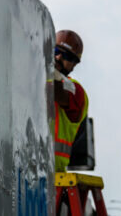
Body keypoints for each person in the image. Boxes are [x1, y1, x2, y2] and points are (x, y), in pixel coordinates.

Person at [51, 29, 88, 174]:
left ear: (74, 64)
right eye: (55, 51)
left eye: (66, 55)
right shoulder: (36, 78)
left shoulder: (76, 90)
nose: (58, 57)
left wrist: (51, 71)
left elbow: (58, 94)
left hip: (54, 173)